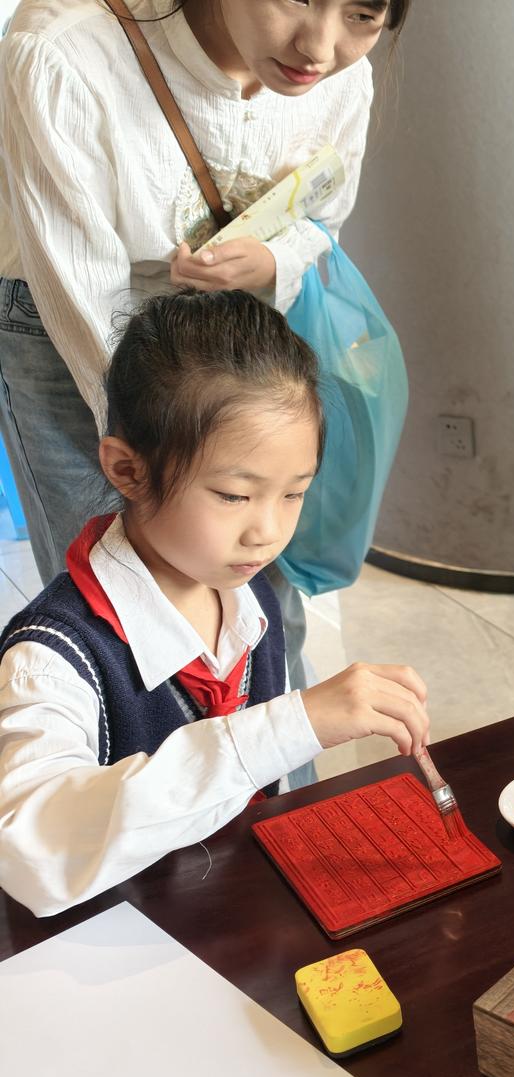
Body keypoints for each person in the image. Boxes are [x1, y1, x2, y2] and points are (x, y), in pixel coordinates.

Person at [0, 0, 408, 700]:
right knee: (125, 607)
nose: (319, 48)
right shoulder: (62, 49)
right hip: (77, 334)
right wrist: (178, 447)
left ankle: (281, 757)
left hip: (240, 335)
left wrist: (275, 259)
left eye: (363, 15)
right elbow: (81, 286)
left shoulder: (342, 73)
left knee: (261, 587)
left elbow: (322, 213)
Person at [0, 289, 429, 918]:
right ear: (128, 470)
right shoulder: (52, 659)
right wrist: (291, 726)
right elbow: (30, 851)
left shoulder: (250, 596)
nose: (267, 532)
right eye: (233, 495)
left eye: (294, 493)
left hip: (241, 920)